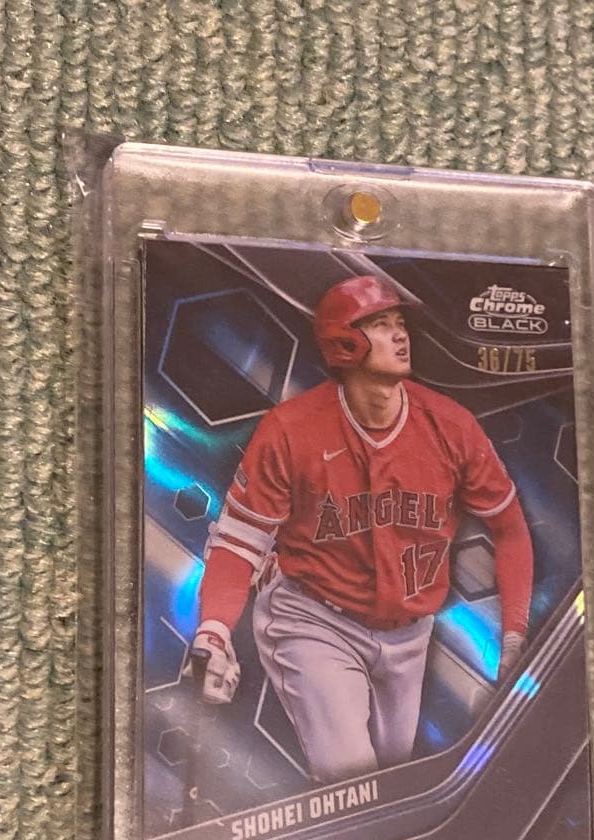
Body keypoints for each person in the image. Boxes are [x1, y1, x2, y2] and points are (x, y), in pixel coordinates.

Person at [189, 275, 533, 783]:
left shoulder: (451, 426)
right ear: (344, 342)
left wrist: (515, 632)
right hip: (313, 618)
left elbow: (510, 530)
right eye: (379, 323)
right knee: (353, 780)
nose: (400, 334)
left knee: (391, 789)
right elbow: (240, 542)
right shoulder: (292, 430)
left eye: (399, 322)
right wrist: (214, 630)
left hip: (411, 634)